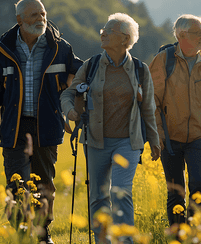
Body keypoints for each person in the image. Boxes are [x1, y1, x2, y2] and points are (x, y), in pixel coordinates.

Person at [0, 0, 82, 244]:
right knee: (17, 184)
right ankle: (19, 234)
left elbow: (81, 74)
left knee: (45, 184)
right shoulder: (3, 51)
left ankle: (42, 234)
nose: (41, 19)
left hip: (47, 126)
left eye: (43, 14)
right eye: (34, 15)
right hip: (15, 128)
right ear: (20, 19)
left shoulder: (61, 48)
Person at [61, 13, 161, 244]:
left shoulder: (140, 69)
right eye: (102, 31)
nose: (103, 34)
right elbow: (68, 93)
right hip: (96, 140)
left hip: (128, 142)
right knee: (98, 197)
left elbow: (148, 107)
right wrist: (71, 112)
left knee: (121, 192)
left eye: (109, 31)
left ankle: (125, 241)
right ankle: (103, 241)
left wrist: (154, 140)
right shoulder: (92, 65)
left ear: (125, 39)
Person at [149, 14, 201, 226]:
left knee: (200, 186)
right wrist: (157, 134)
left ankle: (196, 235)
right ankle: (178, 237)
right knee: (176, 193)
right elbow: (152, 102)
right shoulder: (163, 60)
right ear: (182, 35)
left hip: (199, 136)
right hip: (170, 138)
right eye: (199, 33)